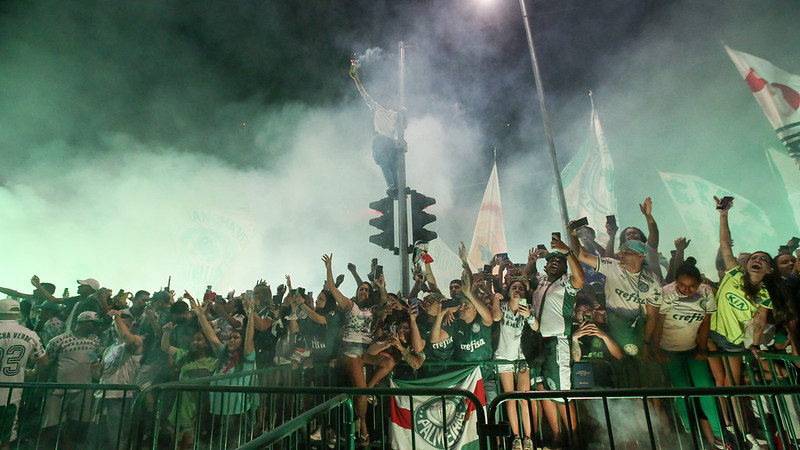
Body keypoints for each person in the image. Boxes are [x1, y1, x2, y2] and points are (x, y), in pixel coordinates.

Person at [707, 196, 775, 448]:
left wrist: (755, 345)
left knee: (731, 384)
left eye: (764, 259)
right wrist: (723, 214)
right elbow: (725, 243)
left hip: (733, 341)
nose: (757, 260)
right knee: (719, 381)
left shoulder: (765, 295)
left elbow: (760, 321)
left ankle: (741, 432)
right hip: (711, 333)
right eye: (754, 257)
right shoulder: (734, 272)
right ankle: (728, 428)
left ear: (768, 270)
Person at [653, 259, 728, 449]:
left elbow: (705, 322)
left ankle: (720, 436)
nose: (687, 290)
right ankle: (689, 434)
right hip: (669, 352)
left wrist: (702, 348)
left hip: (692, 349)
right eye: (682, 286)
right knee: (682, 392)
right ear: (675, 282)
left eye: (691, 286)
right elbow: (658, 324)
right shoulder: (667, 294)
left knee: (706, 391)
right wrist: (656, 350)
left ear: (699, 282)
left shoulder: (705, 293)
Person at [321, 253, 389, 446]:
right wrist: (329, 267)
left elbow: (384, 302)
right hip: (350, 351)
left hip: (366, 350)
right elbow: (333, 289)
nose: (365, 292)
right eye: (362, 289)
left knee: (388, 361)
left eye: (367, 290)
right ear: (357, 292)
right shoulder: (351, 307)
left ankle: (369, 390)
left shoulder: (373, 310)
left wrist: (382, 287)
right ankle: (364, 430)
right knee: (359, 391)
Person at [530, 231, 585, 448]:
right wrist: (532, 262)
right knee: (542, 389)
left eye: (558, 261)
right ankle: (557, 437)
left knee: (560, 393)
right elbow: (526, 275)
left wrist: (567, 252)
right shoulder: (542, 281)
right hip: (538, 343)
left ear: (564, 267)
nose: (554, 263)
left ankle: (574, 439)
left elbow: (580, 278)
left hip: (557, 342)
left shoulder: (566, 283)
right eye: (551, 260)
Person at [187, 292, 256, 448]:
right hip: (215, 414)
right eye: (230, 337)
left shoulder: (247, 360)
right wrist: (200, 315)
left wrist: (251, 315)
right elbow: (211, 336)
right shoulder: (224, 356)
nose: (231, 340)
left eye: (236, 338)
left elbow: (250, 338)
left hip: (236, 415)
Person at [38, 311, 103, 449]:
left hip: (83, 389)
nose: (95, 327)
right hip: (58, 389)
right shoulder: (59, 340)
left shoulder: (95, 340)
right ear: (82, 322)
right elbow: (48, 363)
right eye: (93, 323)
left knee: (76, 425)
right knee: (50, 426)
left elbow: (93, 360)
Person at [161, 321, 218, 450]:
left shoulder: (214, 362)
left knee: (189, 445)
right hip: (179, 409)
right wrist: (167, 332)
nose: (194, 342)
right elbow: (166, 348)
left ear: (207, 343)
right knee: (177, 445)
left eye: (199, 340)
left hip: (197, 411)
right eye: (193, 339)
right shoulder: (185, 355)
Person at [349, 63, 406, 190]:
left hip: (391, 141)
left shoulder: (395, 114)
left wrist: (404, 113)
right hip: (380, 139)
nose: (387, 102)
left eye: (389, 100)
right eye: (384, 100)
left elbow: (404, 126)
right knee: (384, 162)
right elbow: (363, 93)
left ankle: (397, 188)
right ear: (381, 101)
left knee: (393, 165)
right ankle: (391, 186)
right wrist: (356, 78)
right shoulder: (376, 107)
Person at [93, 308, 143, 450]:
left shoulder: (136, 342)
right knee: (100, 434)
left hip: (120, 396)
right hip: (102, 395)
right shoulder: (109, 348)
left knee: (118, 436)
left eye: (121, 325)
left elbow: (127, 337)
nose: (116, 329)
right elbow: (102, 374)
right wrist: (95, 371)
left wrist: (116, 317)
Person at [0, 299, 45, 450]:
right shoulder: (29, 334)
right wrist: (31, 372)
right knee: (5, 439)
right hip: (10, 396)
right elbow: (44, 362)